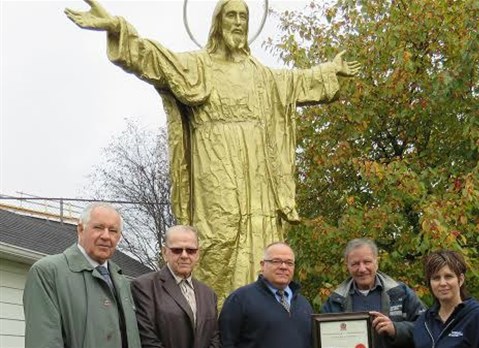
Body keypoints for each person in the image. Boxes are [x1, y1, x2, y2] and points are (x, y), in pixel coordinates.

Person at [65, 0, 361, 299]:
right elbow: (154, 59)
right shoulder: (198, 66)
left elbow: (298, 82)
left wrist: (330, 70)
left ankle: (259, 310)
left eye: (243, 16)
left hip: (258, 172)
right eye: (231, 15)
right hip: (215, 165)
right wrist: (118, 27)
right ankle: (211, 315)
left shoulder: (263, 77)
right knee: (217, 238)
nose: (238, 22)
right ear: (218, 22)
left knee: (260, 238)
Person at [22, 203, 141, 348]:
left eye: (113, 230)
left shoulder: (121, 281)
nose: (106, 236)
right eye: (98, 227)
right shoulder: (48, 273)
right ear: (80, 229)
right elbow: (43, 342)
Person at [321, 238, 427, 348]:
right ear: (347, 266)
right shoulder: (335, 301)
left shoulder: (400, 293)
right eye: (355, 264)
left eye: (367, 262)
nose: (362, 269)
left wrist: (396, 329)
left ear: (376, 262)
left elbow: (428, 327)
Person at [131, 225, 220, 348]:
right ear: (164, 252)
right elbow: (147, 339)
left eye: (190, 250)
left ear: (198, 254)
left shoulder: (208, 294)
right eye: (177, 250)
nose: (184, 255)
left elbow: (214, 338)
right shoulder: (144, 287)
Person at [218, 242, 313, 348]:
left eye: (289, 263)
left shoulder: (303, 304)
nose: (283, 267)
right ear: (262, 265)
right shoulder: (240, 299)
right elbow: (225, 342)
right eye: (276, 261)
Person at [411, 250, 479, 347]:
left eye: (448, 277)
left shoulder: (478, 318)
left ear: (460, 279)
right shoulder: (423, 322)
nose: (442, 283)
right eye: (436, 278)